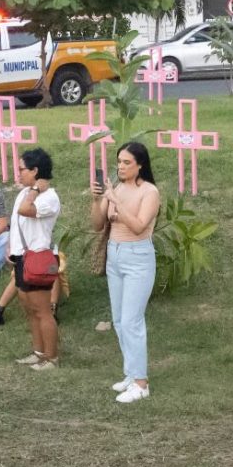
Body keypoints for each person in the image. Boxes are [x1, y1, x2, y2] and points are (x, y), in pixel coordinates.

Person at [91, 143, 161, 404]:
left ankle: (141, 384)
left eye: (127, 162)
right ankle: (131, 374)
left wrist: (116, 200)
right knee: (120, 321)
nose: (121, 166)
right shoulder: (116, 188)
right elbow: (98, 225)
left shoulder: (149, 192)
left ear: (140, 165)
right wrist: (98, 199)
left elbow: (139, 227)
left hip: (138, 257)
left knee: (132, 321)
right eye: (119, 161)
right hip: (115, 255)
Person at [7, 149, 62, 371]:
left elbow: (24, 210)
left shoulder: (49, 197)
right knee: (29, 309)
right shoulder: (26, 192)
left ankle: (51, 357)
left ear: (35, 170)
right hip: (23, 258)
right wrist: (11, 249)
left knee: (42, 310)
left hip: (39, 260)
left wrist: (37, 189)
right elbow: (17, 222)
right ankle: (38, 352)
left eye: (22, 169)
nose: (18, 173)